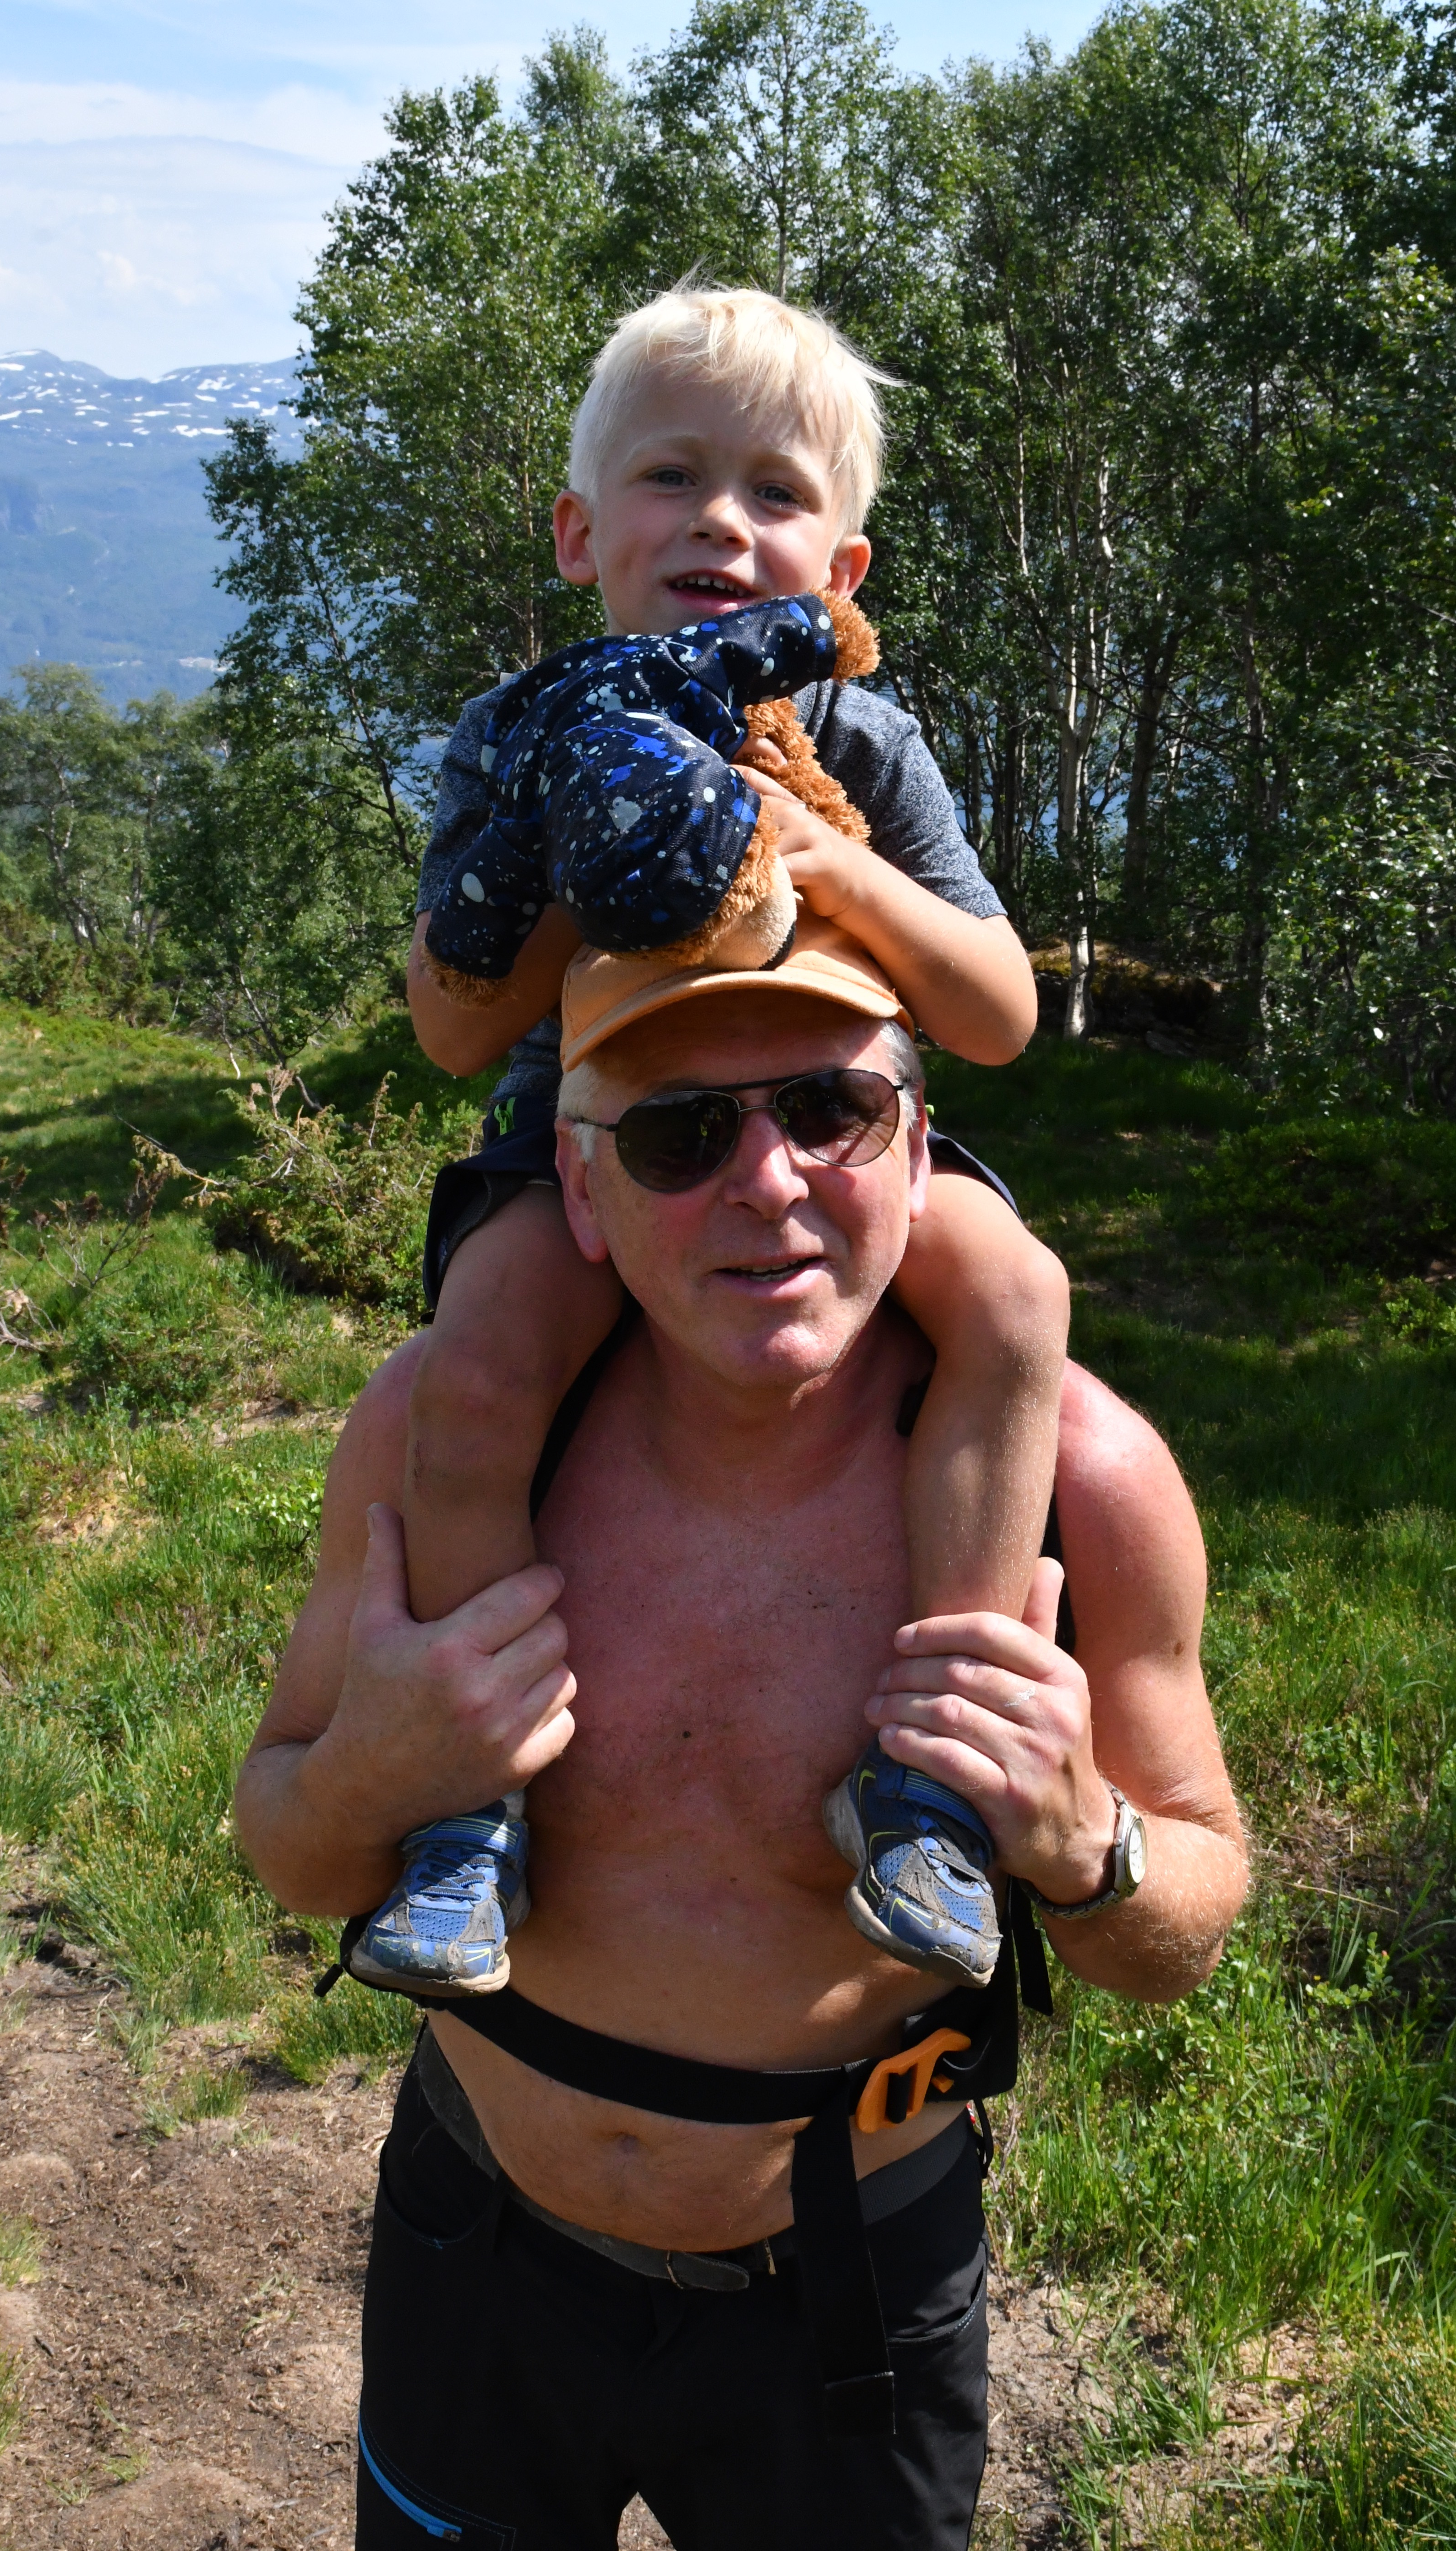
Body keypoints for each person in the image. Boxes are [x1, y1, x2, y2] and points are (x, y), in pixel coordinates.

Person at [236, 930, 1248, 2551]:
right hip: (476, 2246)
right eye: (678, 1133)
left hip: (854, 2285)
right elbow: (287, 1837)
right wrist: (372, 1771)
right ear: (580, 1189)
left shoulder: (1085, 1479)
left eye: (829, 1109)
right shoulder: (446, 1437)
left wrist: (1085, 1841)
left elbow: (1187, 1922)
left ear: (918, 1147)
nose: (767, 1183)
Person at [357, 285, 1071, 2006]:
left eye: (776, 492)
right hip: (587, 1136)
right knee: (477, 1362)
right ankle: (470, 1810)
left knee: (1016, 1298)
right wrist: (574, 828)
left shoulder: (859, 739)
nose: (722, 523)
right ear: (578, 532)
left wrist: (817, 861)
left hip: (839, 1137)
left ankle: (932, 1783)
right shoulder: (514, 734)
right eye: (671, 477)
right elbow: (449, 1028)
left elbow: (995, 1012)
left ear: (842, 574)